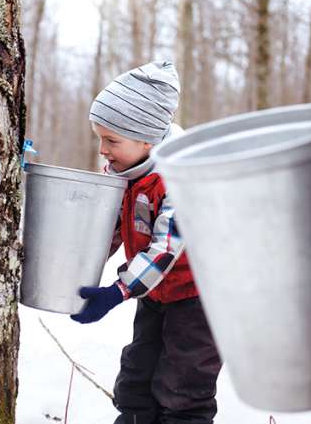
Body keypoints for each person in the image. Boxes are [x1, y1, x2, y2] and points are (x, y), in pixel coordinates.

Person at [70, 61, 222, 424]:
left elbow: (165, 248)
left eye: (112, 141)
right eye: (100, 138)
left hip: (198, 298)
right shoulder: (125, 172)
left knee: (184, 384)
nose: (103, 150)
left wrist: (117, 292)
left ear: (146, 139)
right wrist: (76, 264)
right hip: (155, 295)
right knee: (137, 376)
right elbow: (111, 229)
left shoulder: (181, 177)